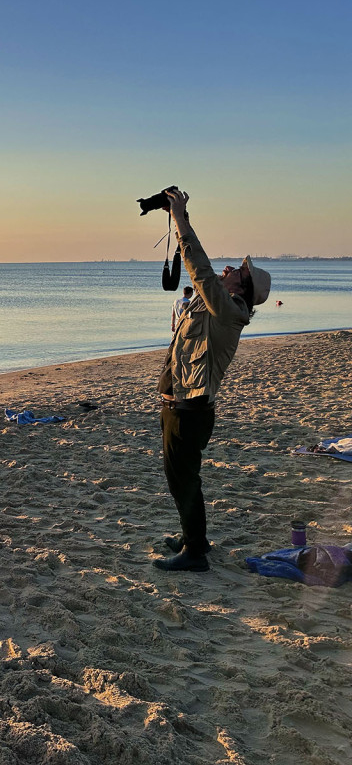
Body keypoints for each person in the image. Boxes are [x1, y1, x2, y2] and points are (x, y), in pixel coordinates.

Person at [154, 188, 271, 572]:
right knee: (182, 478)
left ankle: (195, 555)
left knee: (182, 480)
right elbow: (201, 273)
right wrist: (179, 218)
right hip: (180, 404)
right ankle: (195, 538)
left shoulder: (228, 312)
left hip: (190, 410)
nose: (227, 269)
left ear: (241, 288)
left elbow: (200, 269)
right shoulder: (216, 304)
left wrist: (180, 218)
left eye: (235, 271)